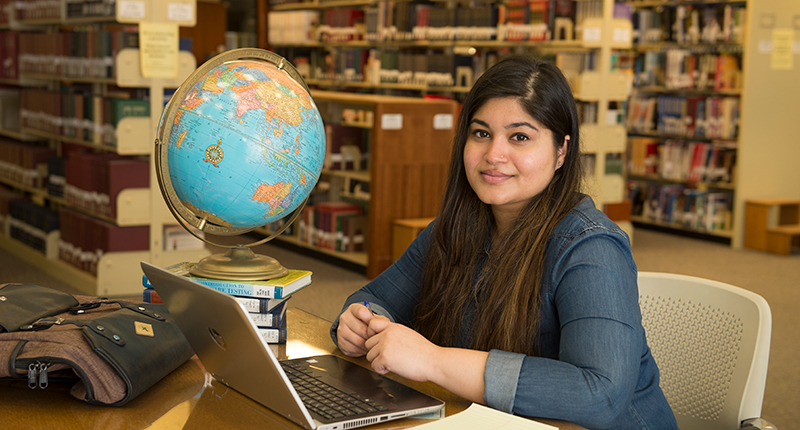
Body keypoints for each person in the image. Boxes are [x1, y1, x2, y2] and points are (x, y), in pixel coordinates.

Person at [330, 55, 677, 430]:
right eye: (481, 133)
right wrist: (361, 320)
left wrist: (433, 361)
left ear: (561, 151)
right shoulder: (454, 229)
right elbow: (372, 298)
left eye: (520, 137)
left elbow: (600, 395)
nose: (494, 155)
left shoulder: (591, 248)